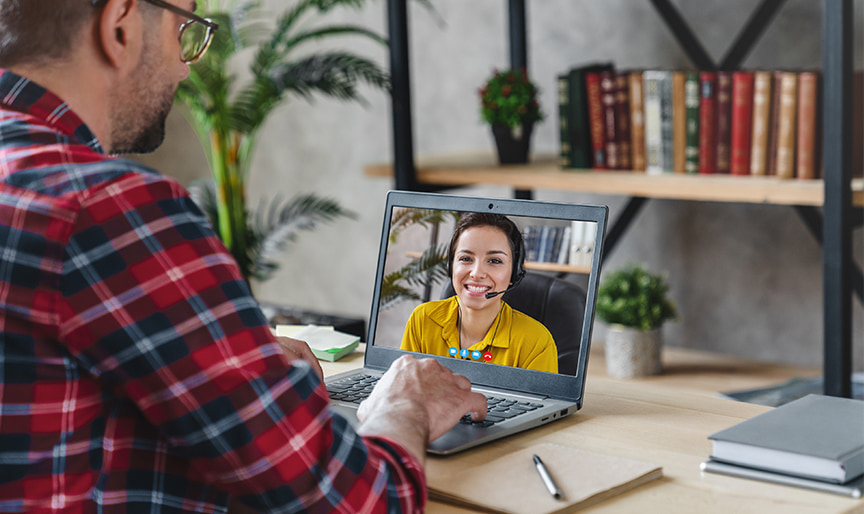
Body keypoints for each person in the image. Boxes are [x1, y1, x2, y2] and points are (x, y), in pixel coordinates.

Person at [0, 1, 487, 511]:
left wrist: (220, 362)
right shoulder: (108, 207)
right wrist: (406, 403)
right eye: (185, 28)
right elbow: (359, 502)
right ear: (119, 25)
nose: (186, 65)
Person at [400, 213, 558, 373]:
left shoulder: (536, 342)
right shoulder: (423, 320)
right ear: (451, 266)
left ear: (514, 274)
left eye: (494, 261)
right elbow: (404, 390)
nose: (476, 273)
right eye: (466, 258)